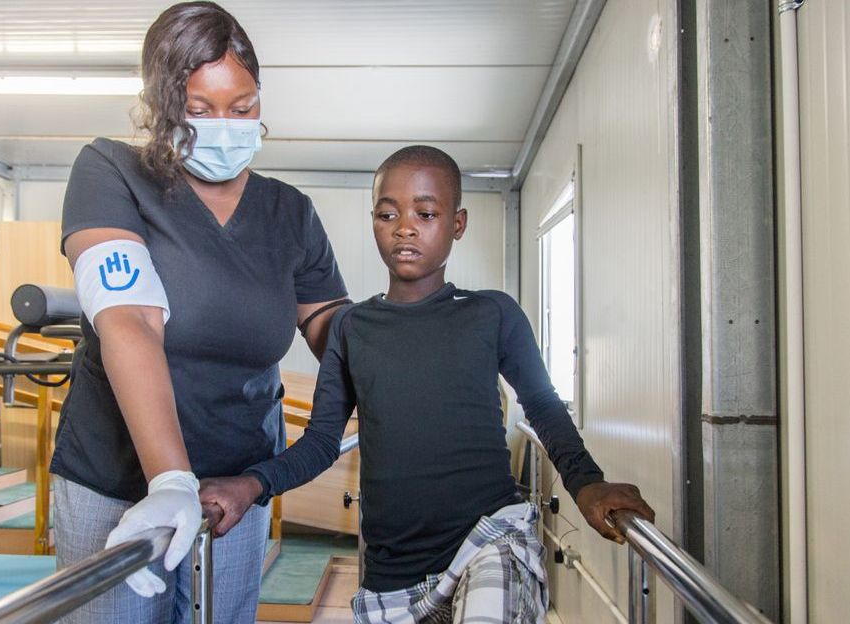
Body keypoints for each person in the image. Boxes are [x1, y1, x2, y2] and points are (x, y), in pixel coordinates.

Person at [199, 146, 657, 623]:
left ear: (457, 223)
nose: (405, 227)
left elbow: (542, 406)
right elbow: (319, 444)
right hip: (392, 573)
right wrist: (251, 484)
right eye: (387, 213)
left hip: (488, 541)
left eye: (426, 212)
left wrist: (588, 484)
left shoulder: (492, 313)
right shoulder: (351, 328)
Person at [50, 2, 348, 622]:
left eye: (242, 108)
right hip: (116, 479)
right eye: (199, 109)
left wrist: (417, 346)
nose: (225, 126)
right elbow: (129, 319)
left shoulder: (289, 212)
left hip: (237, 484)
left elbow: (332, 329)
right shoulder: (111, 171)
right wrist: (170, 482)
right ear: (162, 107)